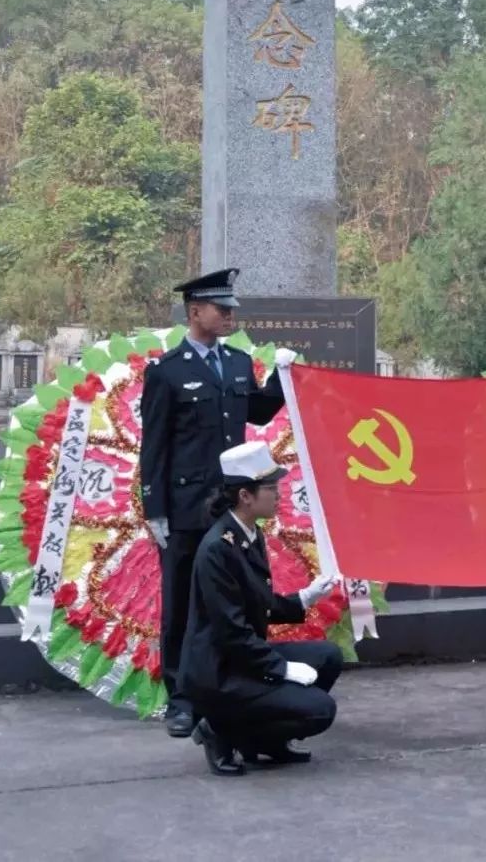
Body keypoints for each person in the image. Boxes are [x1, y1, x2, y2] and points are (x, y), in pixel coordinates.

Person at [140, 268, 286, 737]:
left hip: (231, 508)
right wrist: (155, 509)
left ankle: (234, 683)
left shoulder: (241, 363)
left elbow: (259, 411)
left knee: (237, 598)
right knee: (181, 603)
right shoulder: (167, 372)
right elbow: (154, 446)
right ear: (194, 311)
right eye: (221, 308)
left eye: (232, 309)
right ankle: (182, 698)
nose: (229, 316)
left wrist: (283, 376)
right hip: (184, 508)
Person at [179, 440, 341, 777]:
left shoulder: (248, 534)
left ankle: (261, 743)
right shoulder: (218, 549)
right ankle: (220, 730)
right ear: (245, 496)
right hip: (220, 670)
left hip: (241, 657)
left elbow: (260, 603)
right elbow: (231, 632)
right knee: (320, 711)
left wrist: (305, 597)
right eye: (270, 488)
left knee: (327, 658)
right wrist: (281, 669)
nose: (278, 495)